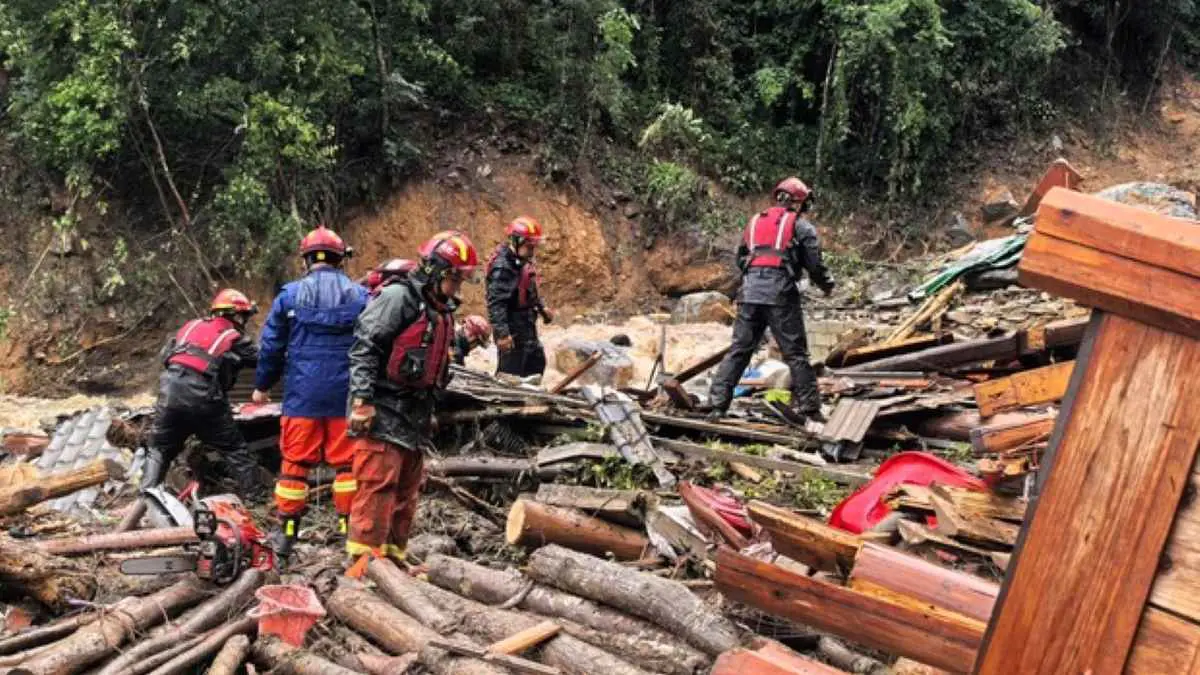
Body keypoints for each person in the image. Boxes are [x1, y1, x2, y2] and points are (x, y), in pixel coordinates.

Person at [344, 230, 478, 562]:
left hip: (415, 416)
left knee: (405, 495)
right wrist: (362, 402)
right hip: (384, 409)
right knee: (377, 490)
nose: (458, 286)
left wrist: (430, 411)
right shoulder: (398, 298)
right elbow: (364, 348)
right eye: (456, 278)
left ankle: (391, 563)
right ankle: (362, 569)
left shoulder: (442, 309)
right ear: (437, 271)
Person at [254, 225, 368, 560]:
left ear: (306, 259)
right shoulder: (360, 296)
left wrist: (262, 386)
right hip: (344, 397)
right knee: (347, 467)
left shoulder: (289, 296)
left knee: (294, 467)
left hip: (302, 396)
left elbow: (271, 347)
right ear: (339, 259)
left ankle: (288, 535)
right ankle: (350, 532)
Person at [708, 177, 835, 421]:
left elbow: (740, 258)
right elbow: (815, 265)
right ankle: (811, 409)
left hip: (750, 293)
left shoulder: (754, 222)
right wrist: (827, 285)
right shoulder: (801, 226)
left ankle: (716, 404)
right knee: (796, 354)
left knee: (739, 350)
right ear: (799, 202)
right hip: (780, 295)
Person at [143, 289, 261, 500]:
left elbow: (167, 357)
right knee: (235, 450)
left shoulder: (190, 327)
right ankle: (256, 498)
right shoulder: (232, 336)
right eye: (244, 316)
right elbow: (263, 359)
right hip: (203, 398)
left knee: (159, 448)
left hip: (169, 393)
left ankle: (146, 499)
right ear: (236, 315)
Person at [485, 216, 554, 378]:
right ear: (516, 241)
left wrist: (542, 308)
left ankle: (530, 400)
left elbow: (529, 290)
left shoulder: (522, 260)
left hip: (527, 324)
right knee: (511, 374)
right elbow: (496, 304)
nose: (532, 251)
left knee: (536, 363)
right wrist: (502, 334)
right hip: (512, 327)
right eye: (530, 246)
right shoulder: (503, 267)